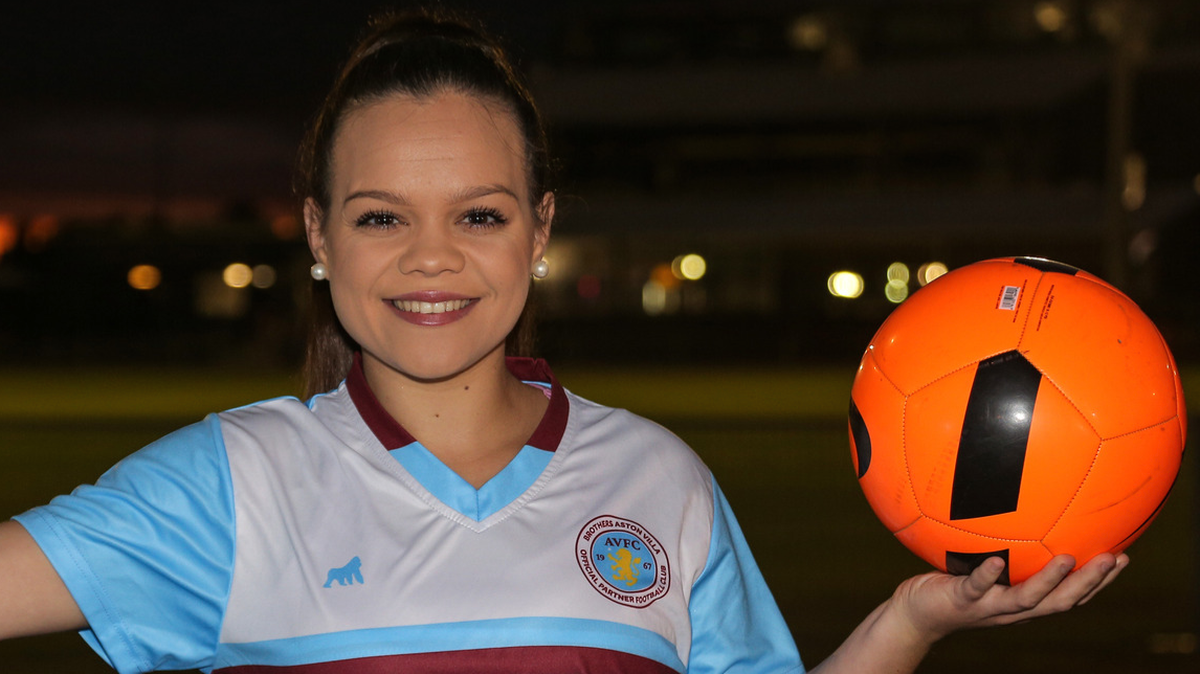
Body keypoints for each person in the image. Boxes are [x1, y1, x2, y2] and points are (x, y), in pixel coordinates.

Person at [0, 8, 1126, 674]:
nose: (430, 258)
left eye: (479, 215)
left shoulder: (657, 478)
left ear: (539, 232)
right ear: (317, 237)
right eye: (382, 215)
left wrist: (909, 619)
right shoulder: (234, 483)